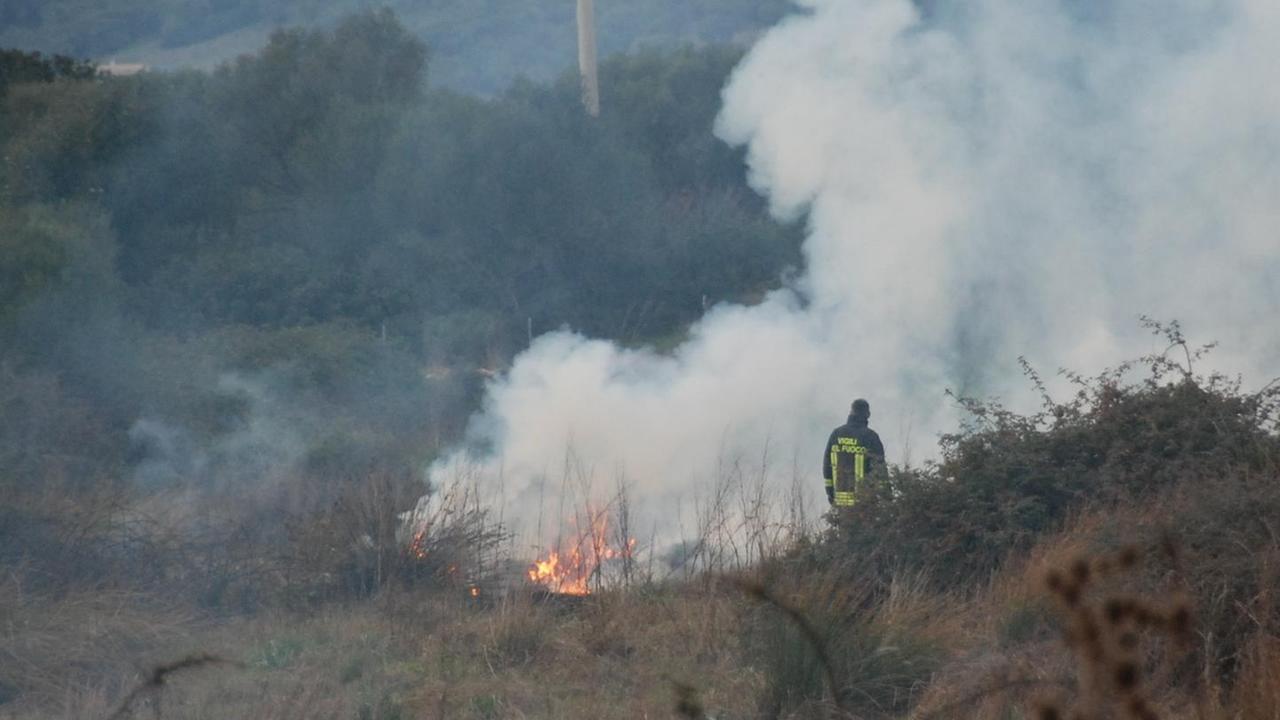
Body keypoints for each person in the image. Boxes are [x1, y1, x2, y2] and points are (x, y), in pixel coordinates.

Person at [823, 398, 885, 507]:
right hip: (864, 502)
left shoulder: (836, 434)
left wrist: (830, 493)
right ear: (868, 414)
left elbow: (827, 466)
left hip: (840, 501)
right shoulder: (871, 437)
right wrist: (887, 497)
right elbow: (880, 470)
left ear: (851, 412)